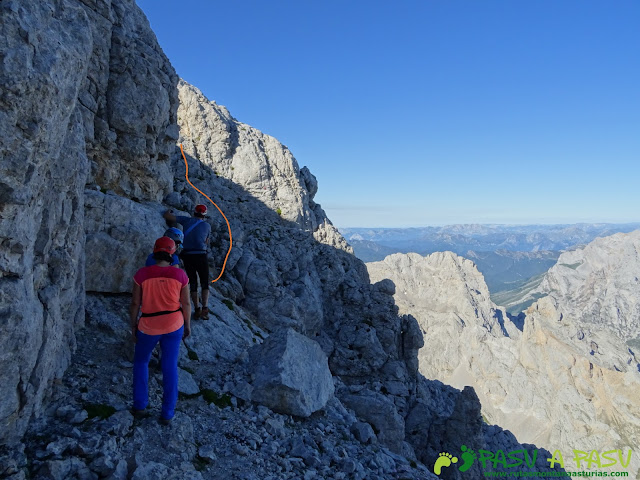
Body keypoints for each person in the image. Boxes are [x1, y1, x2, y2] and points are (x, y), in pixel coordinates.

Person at [130, 236, 191, 425]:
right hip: (174, 323)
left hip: (148, 325)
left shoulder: (141, 275)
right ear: (172, 253)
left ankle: (140, 405)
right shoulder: (180, 275)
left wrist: (133, 325)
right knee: (170, 365)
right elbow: (186, 303)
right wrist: (187, 325)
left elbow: (135, 304)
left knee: (141, 362)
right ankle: (167, 413)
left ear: (155, 251)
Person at [163, 205, 211, 319]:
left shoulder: (186, 220)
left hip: (188, 255)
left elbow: (168, 216)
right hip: (201, 254)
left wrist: (169, 211)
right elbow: (207, 241)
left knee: (193, 282)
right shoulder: (207, 225)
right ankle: (205, 307)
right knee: (204, 282)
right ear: (204, 215)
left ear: (194, 212)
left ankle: (197, 309)